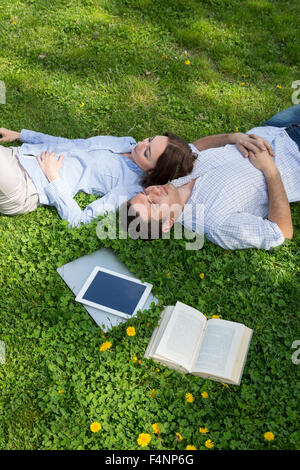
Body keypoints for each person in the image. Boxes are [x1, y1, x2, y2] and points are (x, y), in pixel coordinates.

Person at [124, 105, 300, 250]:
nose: (153, 192)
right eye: (153, 204)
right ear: (167, 225)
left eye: (145, 194)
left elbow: (195, 147)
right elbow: (281, 232)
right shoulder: (216, 224)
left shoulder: (174, 177)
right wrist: (270, 170)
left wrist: (234, 137)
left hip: (273, 129)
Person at [0, 128, 195, 226]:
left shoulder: (131, 188)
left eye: (147, 153)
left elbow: (80, 220)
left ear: (152, 172)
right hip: (17, 155)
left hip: (26, 186)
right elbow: (74, 144)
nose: (141, 144)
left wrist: (53, 177)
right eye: (149, 139)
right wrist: (21, 134)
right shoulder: (126, 143)